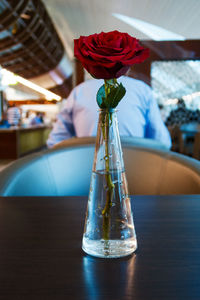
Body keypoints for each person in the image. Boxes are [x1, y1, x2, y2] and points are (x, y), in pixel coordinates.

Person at [47, 76, 172, 149]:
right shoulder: (142, 90)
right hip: (136, 175)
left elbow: (56, 142)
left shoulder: (78, 91)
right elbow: (162, 142)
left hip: (84, 175)